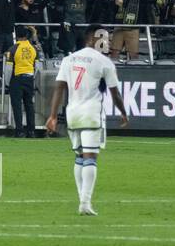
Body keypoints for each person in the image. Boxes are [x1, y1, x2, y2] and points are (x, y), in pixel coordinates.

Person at [45, 25, 130, 216]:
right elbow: (114, 92)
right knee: (90, 157)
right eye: (104, 38)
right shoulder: (104, 62)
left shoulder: (69, 59)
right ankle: (85, 202)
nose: (106, 42)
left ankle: (82, 198)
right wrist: (123, 112)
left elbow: (59, 88)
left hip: (72, 112)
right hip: (92, 113)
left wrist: (52, 116)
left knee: (79, 157)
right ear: (93, 39)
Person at [9, 26, 38, 138]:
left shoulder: (13, 48)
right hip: (30, 78)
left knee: (17, 106)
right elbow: (38, 65)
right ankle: (31, 131)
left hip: (17, 78)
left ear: (17, 36)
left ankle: (20, 131)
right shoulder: (33, 48)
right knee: (29, 105)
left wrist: (8, 83)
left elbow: (8, 68)